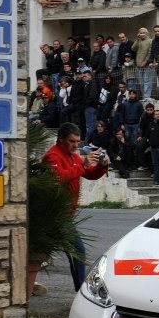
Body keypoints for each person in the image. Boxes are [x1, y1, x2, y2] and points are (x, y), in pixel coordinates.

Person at [42, 123, 109, 292]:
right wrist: (82, 166)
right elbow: (57, 177)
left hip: (64, 214)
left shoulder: (72, 156)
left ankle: (26, 284)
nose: (75, 145)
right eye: (72, 141)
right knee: (78, 253)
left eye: (78, 141)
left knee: (39, 253)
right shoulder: (53, 156)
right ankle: (82, 293)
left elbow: (89, 174)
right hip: (55, 214)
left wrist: (102, 165)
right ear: (61, 139)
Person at [133, 27, 154, 99]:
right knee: (141, 82)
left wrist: (145, 62)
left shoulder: (150, 41)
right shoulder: (138, 41)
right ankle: (144, 97)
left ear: (147, 33)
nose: (142, 34)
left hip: (147, 65)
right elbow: (133, 48)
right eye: (141, 33)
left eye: (143, 33)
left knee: (147, 81)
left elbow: (150, 53)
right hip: (139, 65)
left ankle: (147, 97)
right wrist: (137, 39)